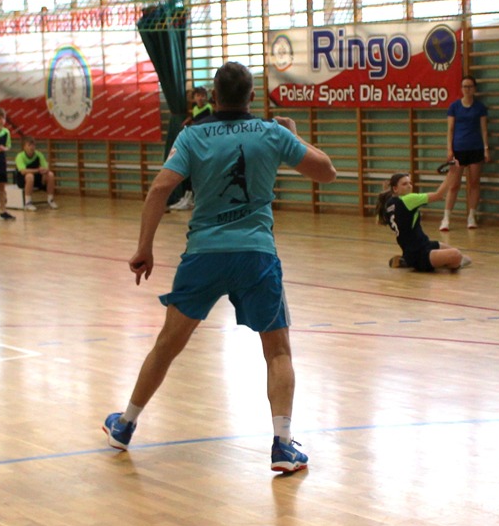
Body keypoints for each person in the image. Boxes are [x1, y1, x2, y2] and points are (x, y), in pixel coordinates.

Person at [102, 62, 337, 474]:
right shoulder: (271, 132)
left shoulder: (192, 135)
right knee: (278, 351)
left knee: (167, 345)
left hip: (204, 256)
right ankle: (283, 445)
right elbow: (327, 173)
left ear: (213, 97)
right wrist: (294, 136)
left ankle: (125, 425)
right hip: (256, 256)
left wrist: (145, 247)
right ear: (252, 96)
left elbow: (159, 189)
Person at [376, 169, 472, 272]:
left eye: (410, 183)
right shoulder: (408, 199)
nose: (409, 186)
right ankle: (421, 262)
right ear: (395, 189)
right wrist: (452, 172)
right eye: (404, 184)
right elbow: (439, 195)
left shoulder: (389, 203)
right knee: (456, 255)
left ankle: (407, 260)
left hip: (421, 245)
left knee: (463, 257)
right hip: (420, 254)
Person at [441, 75, 490, 231]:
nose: (467, 89)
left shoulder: (480, 107)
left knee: (474, 183)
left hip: (475, 148)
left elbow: (484, 130)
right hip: (458, 149)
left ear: (474, 88)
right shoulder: (454, 107)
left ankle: (471, 216)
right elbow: (450, 130)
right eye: (464, 86)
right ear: (461, 88)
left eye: (470, 86)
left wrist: (486, 149)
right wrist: (449, 149)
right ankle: (446, 218)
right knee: (454, 185)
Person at [168, 87, 215, 212]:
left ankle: (193, 199)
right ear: (193, 98)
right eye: (198, 96)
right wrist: (188, 120)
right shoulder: (195, 108)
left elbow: (201, 122)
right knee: (189, 171)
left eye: (203, 95)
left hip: (205, 144)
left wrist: (191, 123)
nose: (200, 98)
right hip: (196, 143)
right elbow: (195, 118)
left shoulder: (208, 108)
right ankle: (187, 197)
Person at [14, 136, 57, 210]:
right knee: (30, 176)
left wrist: (44, 171)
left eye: (33, 145)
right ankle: (28, 203)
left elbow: (46, 168)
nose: (32, 147)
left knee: (50, 175)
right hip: (23, 180)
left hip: (37, 178)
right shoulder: (20, 156)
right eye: (29, 145)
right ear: (24, 147)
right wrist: (37, 170)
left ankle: (51, 200)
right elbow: (23, 171)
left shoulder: (39, 155)